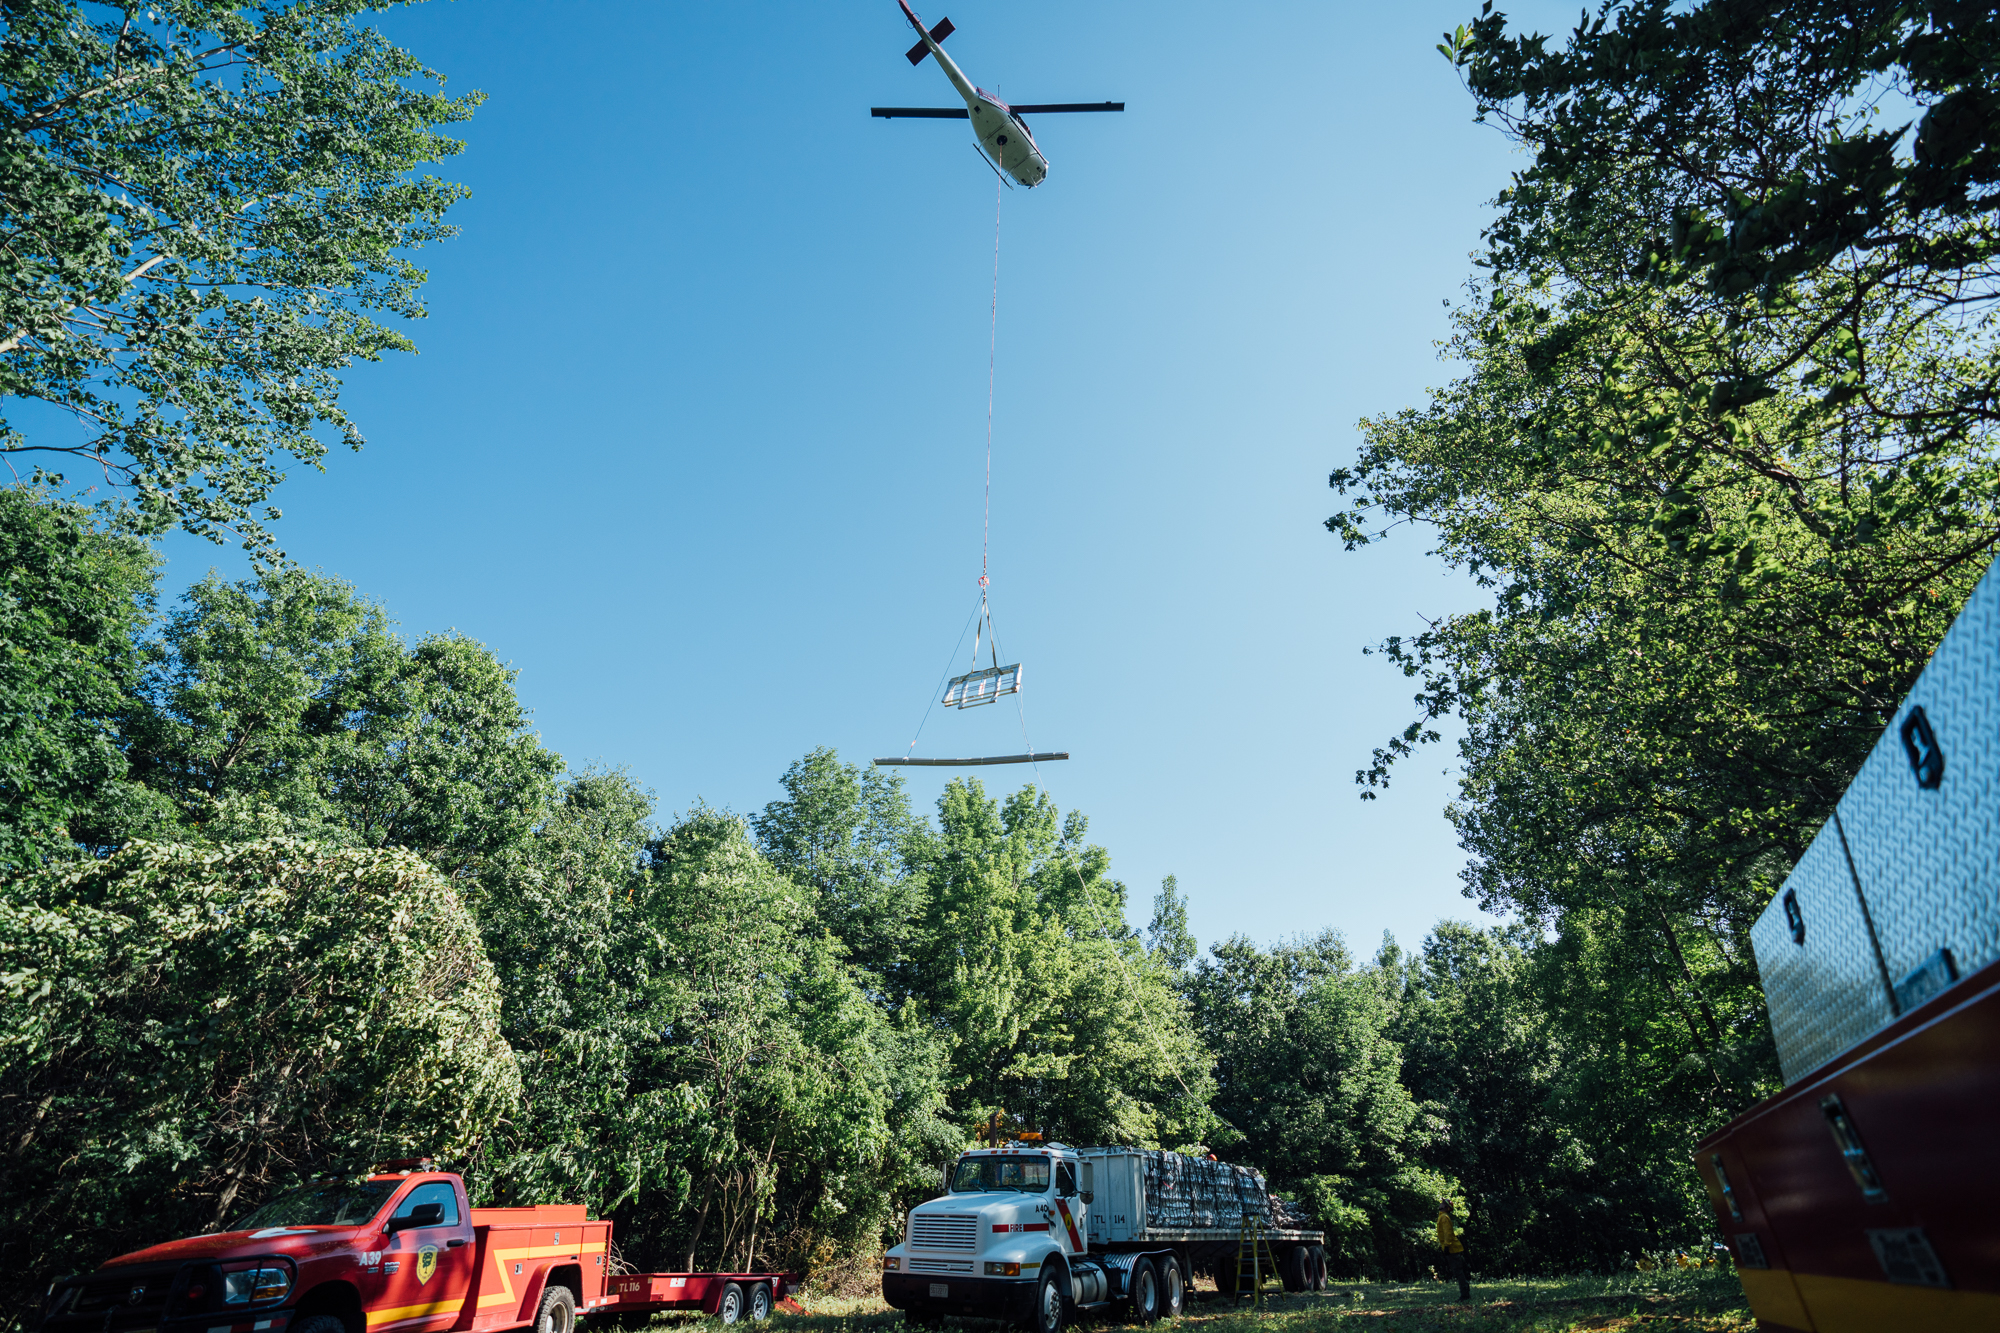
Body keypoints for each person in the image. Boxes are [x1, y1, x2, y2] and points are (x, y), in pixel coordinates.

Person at [1436, 1198, 1470, 1302]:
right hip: (1450, 1248)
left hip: (1452, 1248)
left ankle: (1465, 1295)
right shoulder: (1442, 1216)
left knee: (1458, 1272)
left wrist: (1446, 1246)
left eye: (1443, 1204)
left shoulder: (1444, 1217)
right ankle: (1465, 1293)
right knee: (1457, 1272)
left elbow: (1448, 1233)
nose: (1440, 1204)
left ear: (1446, 1208)